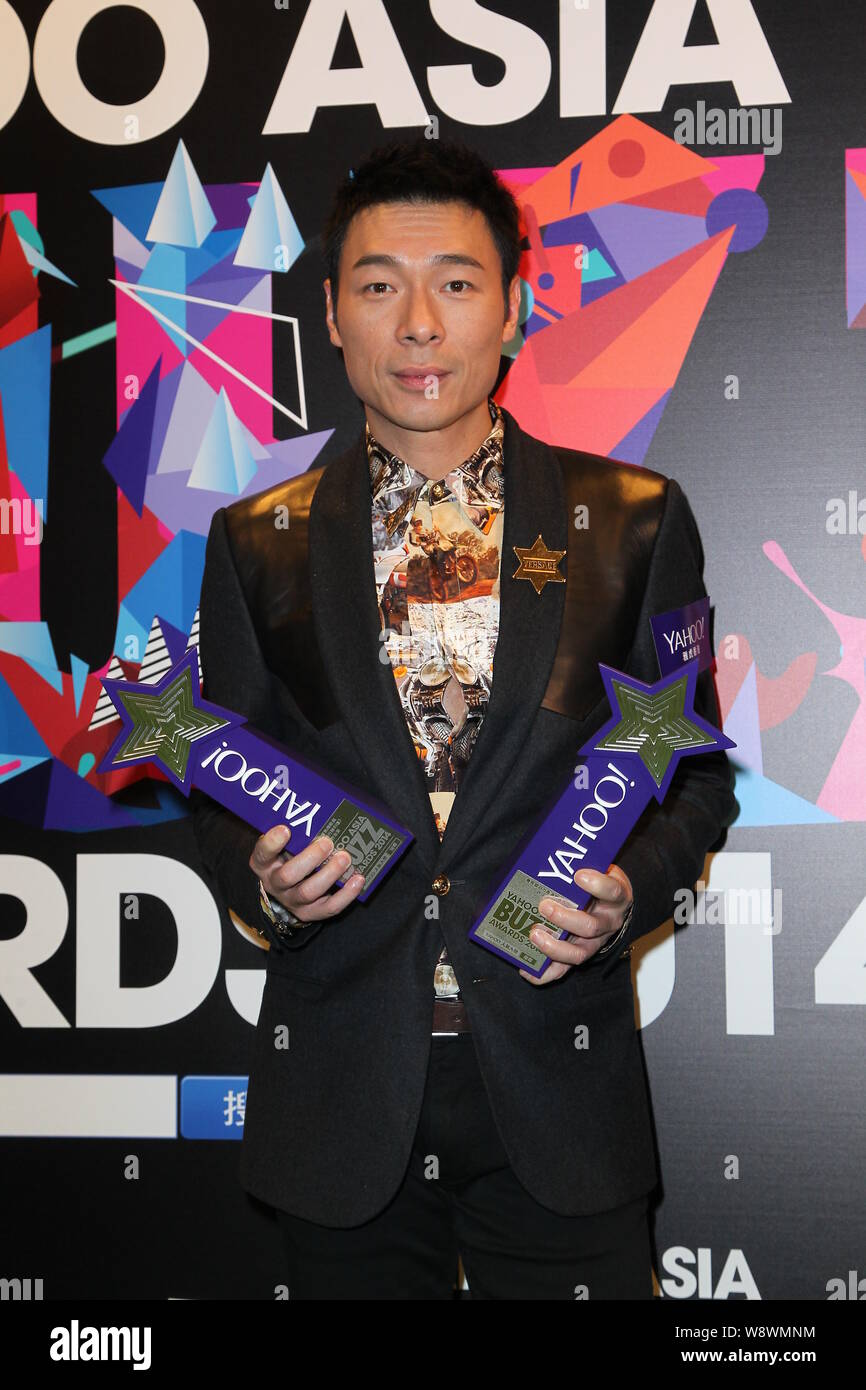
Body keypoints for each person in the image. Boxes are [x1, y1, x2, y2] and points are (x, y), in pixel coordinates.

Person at [191, 135, 738, 1300]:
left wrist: (628, 892)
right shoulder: (254, 542)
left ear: (513, 307)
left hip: (554, 1082)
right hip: (343, 1090)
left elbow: (695, 775)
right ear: (333, 316)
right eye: (379, 286)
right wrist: (263, 882)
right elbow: (210, 778)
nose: (419, 324)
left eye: (455, 282)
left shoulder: (632, 519)